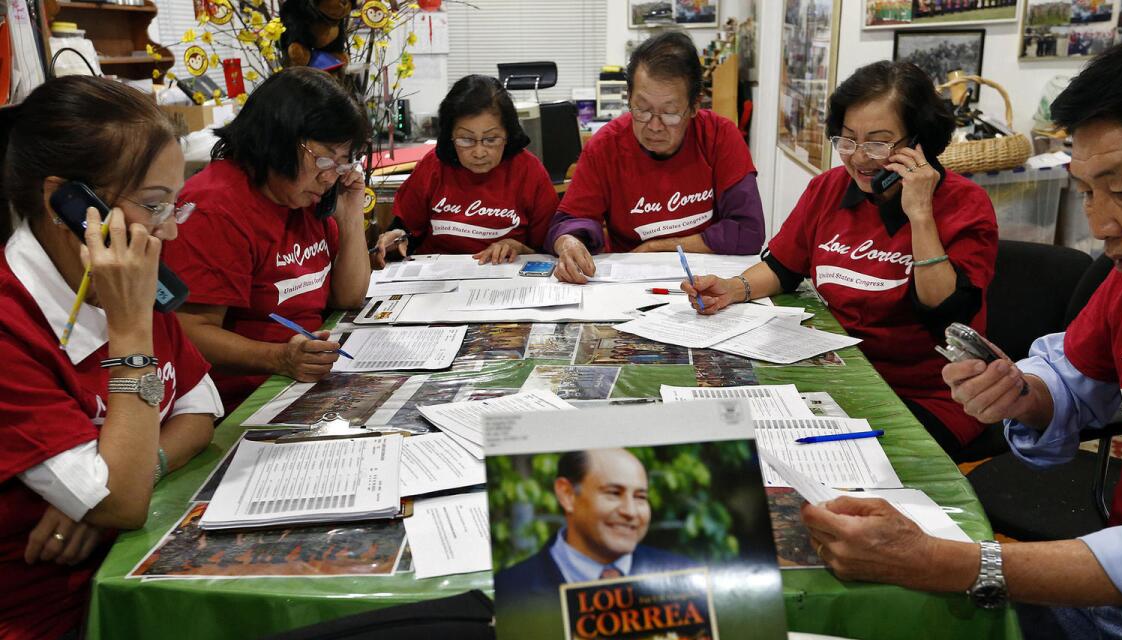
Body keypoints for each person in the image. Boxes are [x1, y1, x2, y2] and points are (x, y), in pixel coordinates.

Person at [800, 27, 1122, 640]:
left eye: (1121, 192)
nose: (1101, 227)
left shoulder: (962, 207)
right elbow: (1071, 369)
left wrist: (956, 561)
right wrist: (1027, 392)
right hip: (1119, 589)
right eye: (1087, 192)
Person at [0, 76, 221, 640]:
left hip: (126, 577)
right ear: (66, 203)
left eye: (175, 203)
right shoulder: (15, 321)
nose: (170, 229)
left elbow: (201, 409)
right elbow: (120, 501)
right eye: (153, 205)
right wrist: (130, 335)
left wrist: (136, 470)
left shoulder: (121, 277)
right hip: (44, 633)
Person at [685, 60, 998, 458]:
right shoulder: (828, 190)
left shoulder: (964, 204)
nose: (860, 159)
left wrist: (920, 213)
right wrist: (733, 288)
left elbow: (946, 312)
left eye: (878, 143)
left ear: (920, 142)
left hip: (926, 396)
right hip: (837, 378)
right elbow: (782, 267)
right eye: (848, 140)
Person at [164, 67, 371, 412]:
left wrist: (350, 214)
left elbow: (349, 295)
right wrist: (279, 358)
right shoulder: (216, 208)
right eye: (323, 158)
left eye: (342, 162)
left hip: (301, 384)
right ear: (277, 139)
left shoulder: (302, 196)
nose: (329, 176)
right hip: (240, 403)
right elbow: (187, 332)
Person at [549, 31, 765, 284]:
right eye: (642, 109)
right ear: (628, 97)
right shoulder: (606, 146)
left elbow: (748, 230)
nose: (654, 126)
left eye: (671, 113)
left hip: (710, 280)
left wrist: (659, 247)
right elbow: (571, 219)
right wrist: (569, 241)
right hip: (631, 282)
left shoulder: (720, 137)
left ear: (696, 105)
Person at [371, 75, 558, 266]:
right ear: (450, 135)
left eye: (491, 139)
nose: (478, 152)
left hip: (506, 281)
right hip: (437, 280)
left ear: (508, 135)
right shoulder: (433, 166)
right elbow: (407, 232)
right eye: (466, 140)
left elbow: (549, 249)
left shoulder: (529, 171)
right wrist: (396, 238)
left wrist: (517, 248)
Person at [494, 448, 693, 598]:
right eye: (614, 493)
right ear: (568, 495)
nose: (631, 512)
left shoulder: (685, 577)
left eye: (640, 497)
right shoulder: (508, 591)